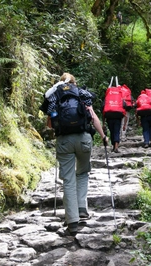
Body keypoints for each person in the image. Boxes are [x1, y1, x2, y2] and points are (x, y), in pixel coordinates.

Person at [45, 72, 108, 236]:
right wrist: (103, 137)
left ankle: (72, 221)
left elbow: (51, 124)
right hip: (84, 139)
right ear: (74, 82)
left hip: (64, 142)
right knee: (82, 172)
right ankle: (82, 208)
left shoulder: (55, 96)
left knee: (68, 180)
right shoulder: (81, 94)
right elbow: (93, 118)